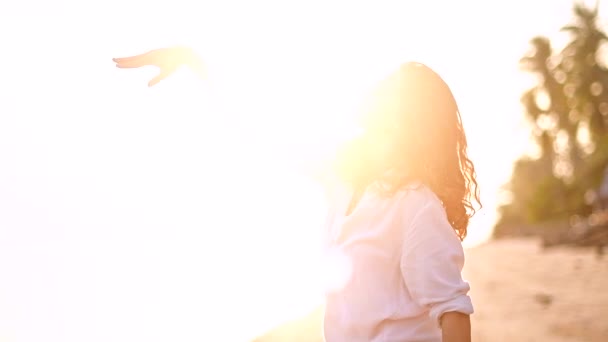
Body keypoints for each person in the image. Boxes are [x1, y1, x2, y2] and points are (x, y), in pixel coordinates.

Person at [113, 48, 480, 342]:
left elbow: (452, 310)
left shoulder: (416, 206)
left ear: (410, 122)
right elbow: (258, 138)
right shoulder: (345, 182)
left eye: (392, 99)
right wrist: (197, 64)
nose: (378, 100)